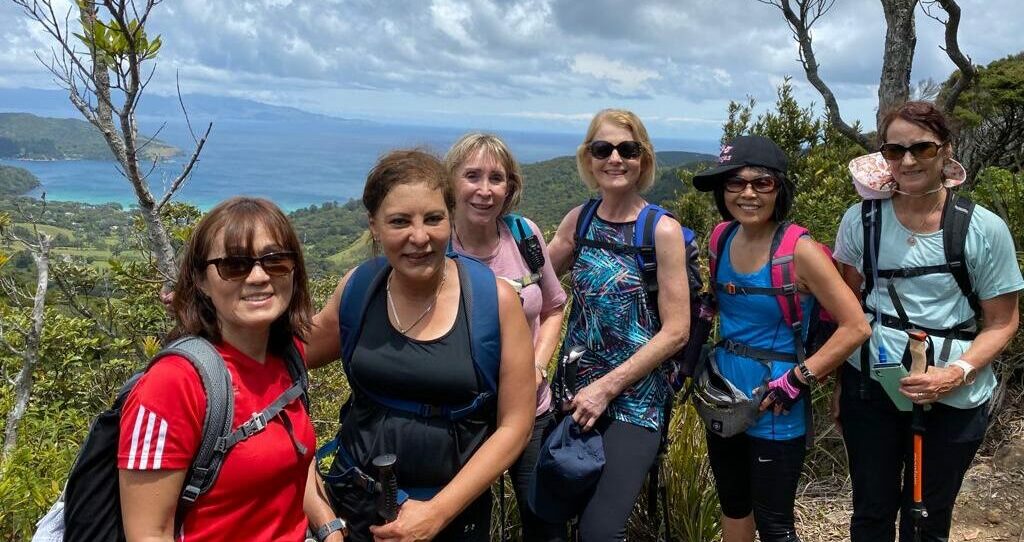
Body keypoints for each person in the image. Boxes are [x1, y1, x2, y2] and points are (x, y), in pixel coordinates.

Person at [305, 149, 535, 541]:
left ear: (450, 217)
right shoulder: (360, 289)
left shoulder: (493, 302)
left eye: (433, 218)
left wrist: (435, 514)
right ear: (374, 226)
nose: (419, 237)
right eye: (399, 222)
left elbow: (516, 424)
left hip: (453, 517)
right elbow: (285, 358)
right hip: (354, 510)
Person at [833, 101, 1023, 542]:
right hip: (872, 383)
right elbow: (850, 309)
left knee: (928, 515)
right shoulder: (861, 221)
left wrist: (956, 373)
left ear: (945, 152)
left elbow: (1002, 322)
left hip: (955, 393)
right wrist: (844, 386)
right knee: (871, 510)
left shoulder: (982, 229)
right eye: (895, 151)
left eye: (922, 148)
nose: (909, 160)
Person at [689, 135, 870, 542]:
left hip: (776, 402)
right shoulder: (721, 237)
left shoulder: (799, 251)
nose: (747, 193)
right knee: (734, 507)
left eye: (761, 183)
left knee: (774, 524)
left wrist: (799, 378)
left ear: (779, 189)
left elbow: (856, 326)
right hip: (724, 393)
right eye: (734, 183)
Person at [118, 197, 320, 541]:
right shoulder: (174, 384)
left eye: (276, 261)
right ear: (200, 280)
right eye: (234, 265)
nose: (259, 276)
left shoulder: (286, 358)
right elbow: (148, 534)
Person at [544, 109, 690, 541]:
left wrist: (607, 388)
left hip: (634, 399)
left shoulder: (661, 231)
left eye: (628, 150)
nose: (615, 158)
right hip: (572, 390)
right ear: (588, 159)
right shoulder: (579, 220)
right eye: (602, 149)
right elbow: (534, 285)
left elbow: (677, 330)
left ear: (643, 159)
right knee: (555, 516)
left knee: (600, 529)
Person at [444, 132, 568, 541]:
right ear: (451, 182)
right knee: (463, 525)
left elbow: (553, 305)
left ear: (510, 187)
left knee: (545, 522)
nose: (484, 190)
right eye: (472, 176)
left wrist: (536, 365)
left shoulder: (524, 234)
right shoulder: (437, 245)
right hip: (464, 415)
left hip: (531, 410)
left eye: (496, 178)